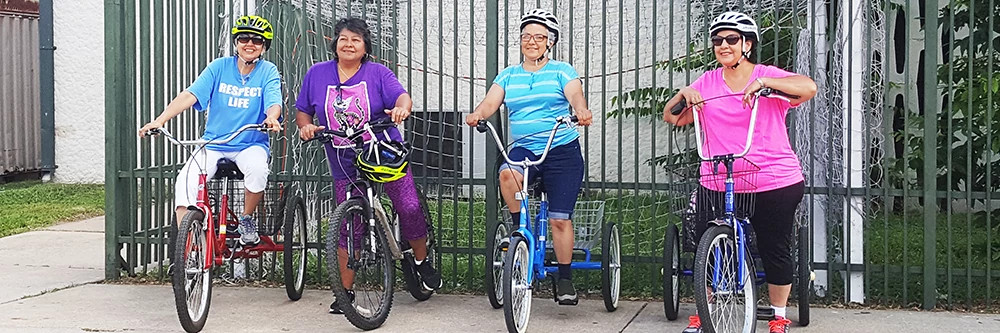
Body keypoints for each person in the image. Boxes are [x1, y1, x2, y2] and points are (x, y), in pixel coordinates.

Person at [662, 11, 818, 333]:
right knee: (705, 239)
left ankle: (777, 315)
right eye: (717, 40)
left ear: (747, 43)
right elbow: (672, 116)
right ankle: (704, 311)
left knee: (774, 244)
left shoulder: (766, 75)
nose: (723, 45)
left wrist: (766, 84)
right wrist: (684, 95)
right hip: (718, 175)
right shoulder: (706, 81)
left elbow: (808, 87)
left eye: (731, 39)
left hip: (772, 176)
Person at [294, 17, 442, 314]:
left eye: (356, 40)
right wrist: (305, 127)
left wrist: (402, 108)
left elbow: (402, 96)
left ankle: (421, 261)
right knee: (349, 226)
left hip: (382, 150)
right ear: (334, 43)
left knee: (409, 206)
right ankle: (345, 292)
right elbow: (303, 110)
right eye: (344, 39)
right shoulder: (316, 74)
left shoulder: (378, 73)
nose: (348, 44)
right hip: (342, 156)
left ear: (365, 47)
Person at [465, 8, 594, 306]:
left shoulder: (562, 70)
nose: (531, 41)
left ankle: (563, 279)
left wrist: (581, 109)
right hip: (524, 147)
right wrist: (478, 114)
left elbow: (575, 95)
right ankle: (516, 227)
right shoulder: (509, 75)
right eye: (526, 36)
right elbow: (490, 103)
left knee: (560, 219)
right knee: (507, 174)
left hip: (561, 150)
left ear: (550, 41)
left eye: (539, 37)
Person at [138, 15, 283, 247]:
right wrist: (160, 120)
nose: (249, 44)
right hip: (213, 143)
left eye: (256, 40)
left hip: (250, 143)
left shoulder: (268, 71)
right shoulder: (219, 67)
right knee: (185, 180)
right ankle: (187, 249)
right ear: (236, 42)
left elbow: (274, 101)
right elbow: (190, 95)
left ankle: (246, 218)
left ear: (264, 46)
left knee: (257, 169)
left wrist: (271, 118)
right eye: (244, 38)